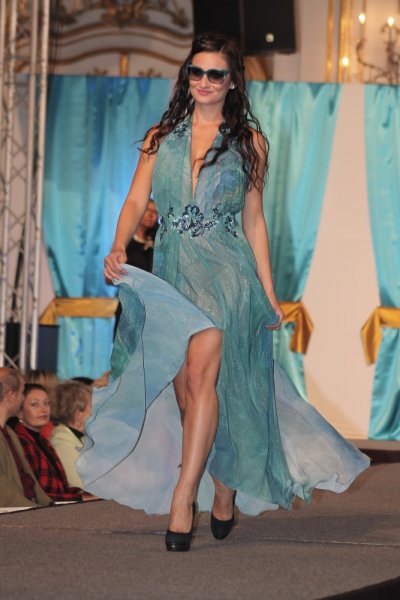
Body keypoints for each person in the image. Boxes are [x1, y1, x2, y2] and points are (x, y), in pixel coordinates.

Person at [77, 33, 369, 552]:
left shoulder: (248, 143)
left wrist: (268, 291)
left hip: (226, 273)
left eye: (216, 73)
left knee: (201, 376)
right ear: (187, 77)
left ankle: (184, 496)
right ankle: (224, 477)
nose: (205, 81)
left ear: (232, 81)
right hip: (172, 272)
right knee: (187, 393)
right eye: (197, 71)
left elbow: (254, 221)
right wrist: (118, 245)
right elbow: (135, 200)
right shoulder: (160, 137)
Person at [13, 383, 83, 502]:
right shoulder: (21, 441)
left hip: (58, 505)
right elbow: (38, 494)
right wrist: (80, 498)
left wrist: (82, 494)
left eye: (46, 403)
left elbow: (61, 487)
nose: (43, 409)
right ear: (20, 411)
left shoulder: (43, 441)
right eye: (35, 404)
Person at [0, 368, 52, 508]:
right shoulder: (14, 434)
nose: (23, 398)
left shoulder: (10, 433)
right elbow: (3, 494)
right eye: (22, 392)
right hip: (19, 515)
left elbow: (31, 482)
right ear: (11, 395)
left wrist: (49, 506)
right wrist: (37, 511)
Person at [51, 381, 92, 489]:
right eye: (92, 407)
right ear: (78, 413)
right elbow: (79, 484)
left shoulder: (79, 437)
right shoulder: (62, 441)